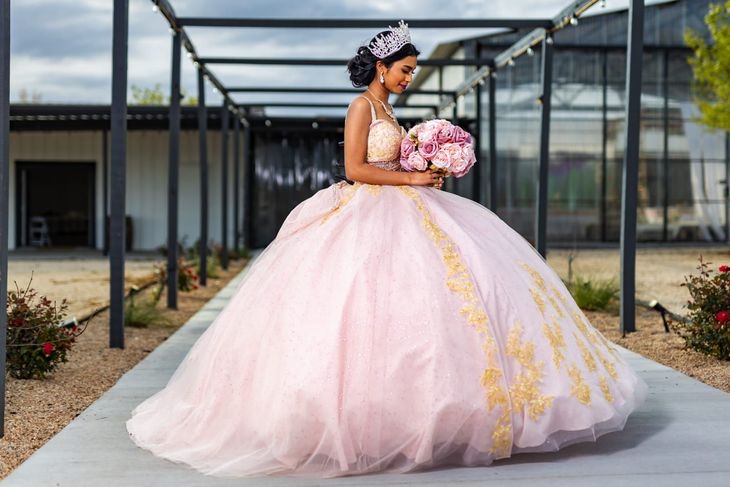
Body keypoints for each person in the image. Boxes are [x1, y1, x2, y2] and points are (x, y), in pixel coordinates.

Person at [126, 21, 647, 478]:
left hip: (405, 205)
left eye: (413, 70)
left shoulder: (390, 112)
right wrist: (414, 177)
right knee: (362, 305)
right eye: (404, 68)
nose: (408, 77)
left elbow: (390, 164)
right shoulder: (361, 107)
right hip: (367, 210)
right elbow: (354, 169)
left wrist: (428, 164)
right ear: (381, 65)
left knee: (449, 298)